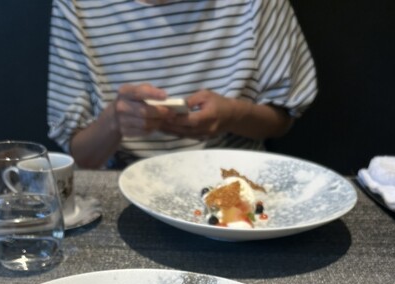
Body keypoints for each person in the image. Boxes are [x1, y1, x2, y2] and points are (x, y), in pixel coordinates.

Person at [47, 0, 317, 169]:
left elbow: (283, 119)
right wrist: (114, 122)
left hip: (235, 179)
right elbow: (81, 156)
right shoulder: (77, 6)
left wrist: (233, 116)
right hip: (120, 188)